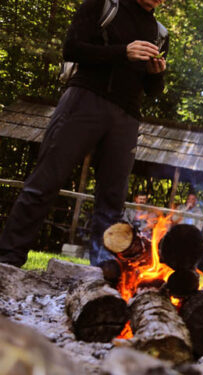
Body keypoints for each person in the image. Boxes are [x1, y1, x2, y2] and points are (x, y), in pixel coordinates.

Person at [0, 0, 168, 283]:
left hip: (127, 116)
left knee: (112, 200)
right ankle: (8, 260)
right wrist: (122, 52)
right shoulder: (104, 5)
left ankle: (100, 272)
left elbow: (153, 91)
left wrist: (156, 74)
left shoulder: (160, 32)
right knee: (45, 182)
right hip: (84, 100)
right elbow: (72, 48)